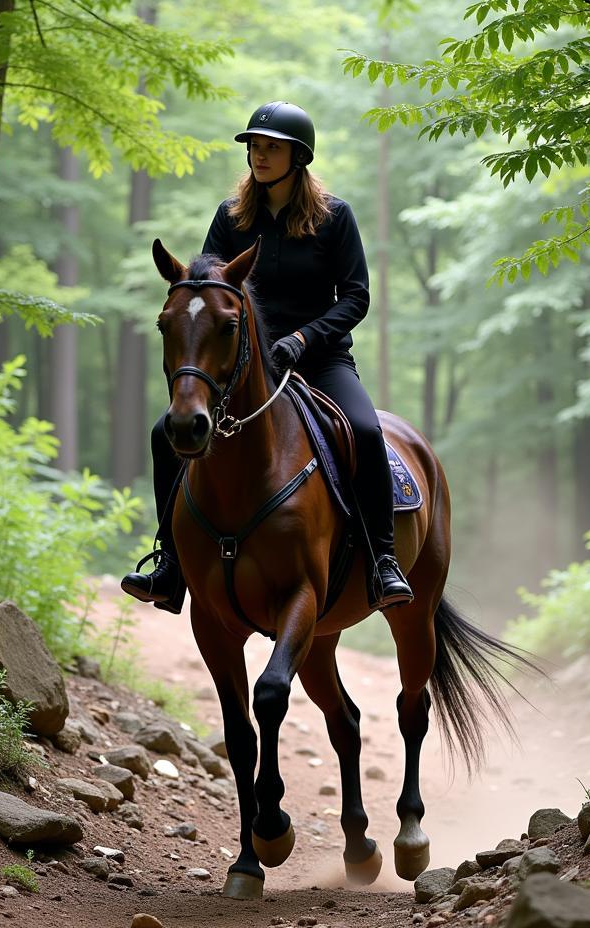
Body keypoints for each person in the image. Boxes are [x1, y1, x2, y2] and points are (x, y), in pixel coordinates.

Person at [121, 100, 413, 614]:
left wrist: (304, 338)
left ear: (297, 157)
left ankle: (383, 559)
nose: (259, 155)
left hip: (320, 361)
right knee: (160, 434)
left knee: (366, 431)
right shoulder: (231, 216)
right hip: (245, 363)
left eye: (271, 147)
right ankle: (170, 564)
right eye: (254, 146)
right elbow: (207, 281)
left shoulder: (334, 217)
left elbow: (356, 297)